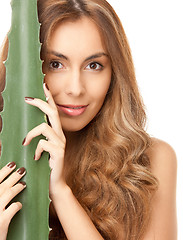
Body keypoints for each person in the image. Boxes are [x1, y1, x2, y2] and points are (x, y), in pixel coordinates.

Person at [0, 0, 177, 239]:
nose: (75, 88)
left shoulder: (151, 160)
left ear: (114, 73)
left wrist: (61, 191)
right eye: (56, 64)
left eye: (94, 65)